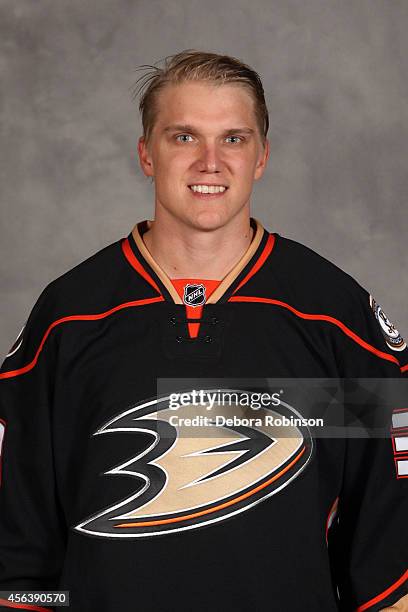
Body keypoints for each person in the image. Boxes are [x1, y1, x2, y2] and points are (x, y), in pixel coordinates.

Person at [0, 49, 406, 612]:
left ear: (262, 156)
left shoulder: (332, 318)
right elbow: (21, 544)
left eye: (234, 139)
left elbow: (386, 545)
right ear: (147, 153)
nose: (210, 162)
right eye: (184, 137)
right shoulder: (70, 317)